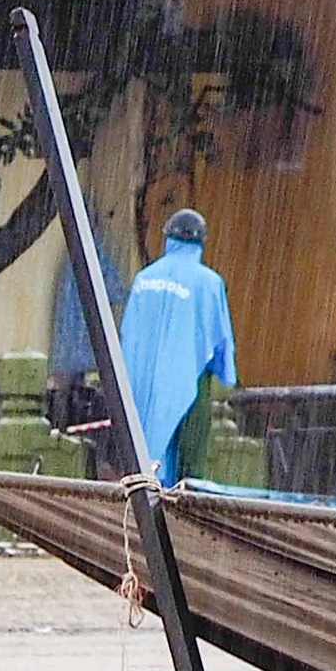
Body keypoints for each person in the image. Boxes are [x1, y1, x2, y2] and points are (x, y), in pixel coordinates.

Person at [116, 206, 237, 484]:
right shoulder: (209, 283)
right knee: (188, 476)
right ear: (200, 242)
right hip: (187, 388)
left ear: (167, 238)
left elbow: (127, 333)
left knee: (141, 464)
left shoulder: (143, 279)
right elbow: (221, 342)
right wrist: (227, 374)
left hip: (137, 388)